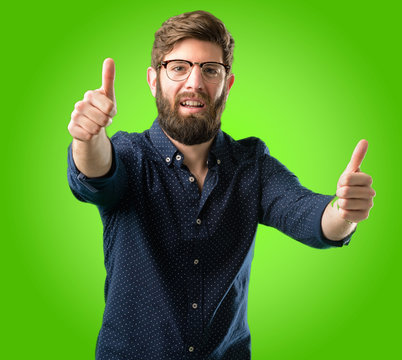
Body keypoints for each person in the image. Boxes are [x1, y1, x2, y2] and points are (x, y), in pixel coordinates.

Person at [67, 10, 375, 360]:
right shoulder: (129, 154)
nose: (194, 83)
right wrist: (88, 138)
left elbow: (306, 213)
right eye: (179, 67)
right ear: (154, 80)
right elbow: (97, 174)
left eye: (209, 70)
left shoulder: (252, 165)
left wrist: (344, 211)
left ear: (226, 84)